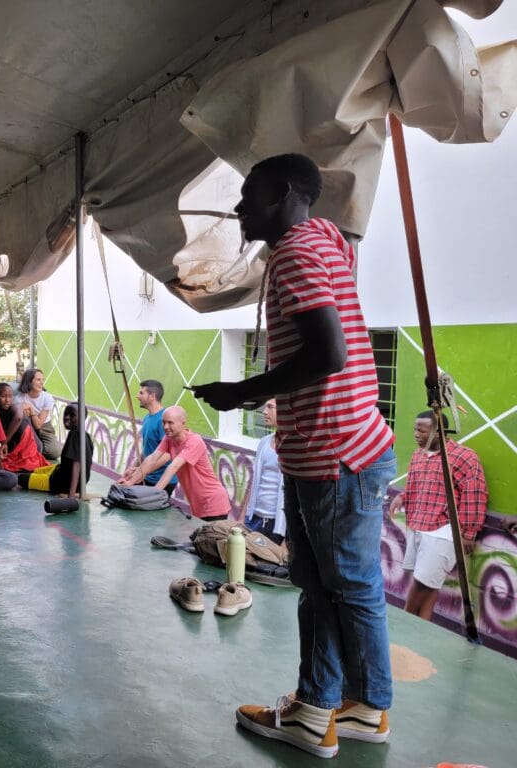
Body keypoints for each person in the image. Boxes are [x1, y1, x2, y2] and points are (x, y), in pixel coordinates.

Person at [193, 154, 397, 757]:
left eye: (248, 195)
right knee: (324, 584)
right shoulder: (325, 239)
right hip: (331, 447)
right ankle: (339, 707)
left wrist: (241, 392)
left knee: (344, 586)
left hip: (335, 449)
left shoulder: (296, 252)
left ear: (284, 194)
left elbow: (328, 354)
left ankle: (342, 707)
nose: (238, 207)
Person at [392, 411, 487, 621]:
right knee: (429, 588)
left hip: (443, 532)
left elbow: (475, 494)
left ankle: (404, 626)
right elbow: (416, 486)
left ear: (439, 432)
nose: (416, 434)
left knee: (421, 583)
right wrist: (402, 497)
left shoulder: (464, 457)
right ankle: (421, 634)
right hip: (418, 525)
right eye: (415, 429)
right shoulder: (419, 454)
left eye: (422, 431)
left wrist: (468, 533)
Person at [120, 406, 230, 521]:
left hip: (214, 502)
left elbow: (173, 467)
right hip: (198, 505)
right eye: (164, 422)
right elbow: (152, 458)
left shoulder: (194, 441)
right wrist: (130, 482)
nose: (166, 427)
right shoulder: (169, 439)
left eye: (170, 423)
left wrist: (153, 494)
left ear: (183, 423)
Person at [18, 405, 93, 498]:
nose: (67, 417)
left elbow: (76, 465)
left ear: (82, 418)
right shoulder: (86, 435)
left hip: (59, 483)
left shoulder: (74, 435)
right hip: (62, 472)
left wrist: (71, 496)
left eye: (72, 415)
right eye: (66, 414)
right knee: (35, 470)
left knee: (21, 478)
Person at [243, 399, 286, 545]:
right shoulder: (264, 442)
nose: (264, 412)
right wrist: (243, 516)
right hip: (253, 519)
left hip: (276, 525)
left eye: (270, 407)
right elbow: (254, 482)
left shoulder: (293, 446)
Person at [121, 380, 176, 494]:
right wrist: (134, 468)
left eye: (141, 393)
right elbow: (146, 449)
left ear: (152, 396)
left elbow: (167, 455)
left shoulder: (164, 420)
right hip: (147, 476)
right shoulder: (147, 418)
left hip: (161, 480)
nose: (137, 396)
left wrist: (141, 472)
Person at [0, 383, 50, 473]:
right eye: (3, 396)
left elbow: (19, 417)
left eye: (10, 396)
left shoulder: (15, 405)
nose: (7, 400)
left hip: (32, 450)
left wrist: (4, 443)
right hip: (11, 444)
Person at [15, 368, 61, 460]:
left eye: (42, 380)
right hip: (27, 426)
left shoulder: (47, 398)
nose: (42, 382)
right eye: (38, 380)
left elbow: (38, 425)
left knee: (54, 453)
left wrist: (31, 410)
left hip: (45, 427)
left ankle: (35, 449)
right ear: (29, 381)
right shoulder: (20, 398)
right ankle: (35, 448)